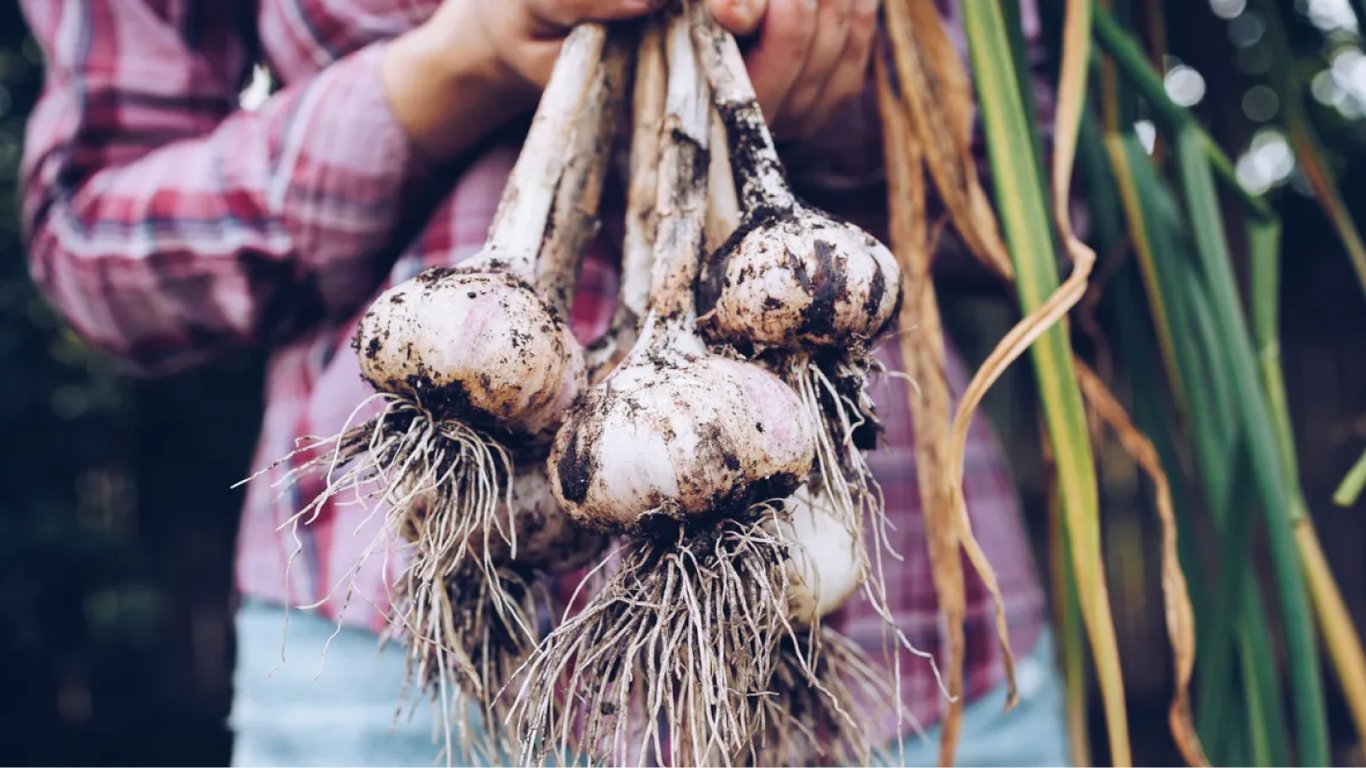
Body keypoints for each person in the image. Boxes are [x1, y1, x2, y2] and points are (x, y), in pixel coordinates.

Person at [19, 0, 1065, 764]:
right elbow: (96, 251)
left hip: (905, 657)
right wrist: (454, 64)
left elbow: (1056, 205)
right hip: (392, 652)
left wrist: (854, 73)